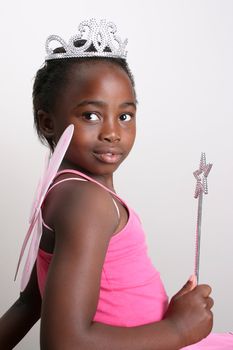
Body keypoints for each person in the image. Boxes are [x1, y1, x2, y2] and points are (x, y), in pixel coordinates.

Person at [0, 18, 231, 350]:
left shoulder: (66, 191)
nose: (112, 132)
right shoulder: (86, 202)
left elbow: (31, 304)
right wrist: (179, 329)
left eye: (125, 116)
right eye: (91, 116)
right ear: (48, 122)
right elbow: (64, 343)